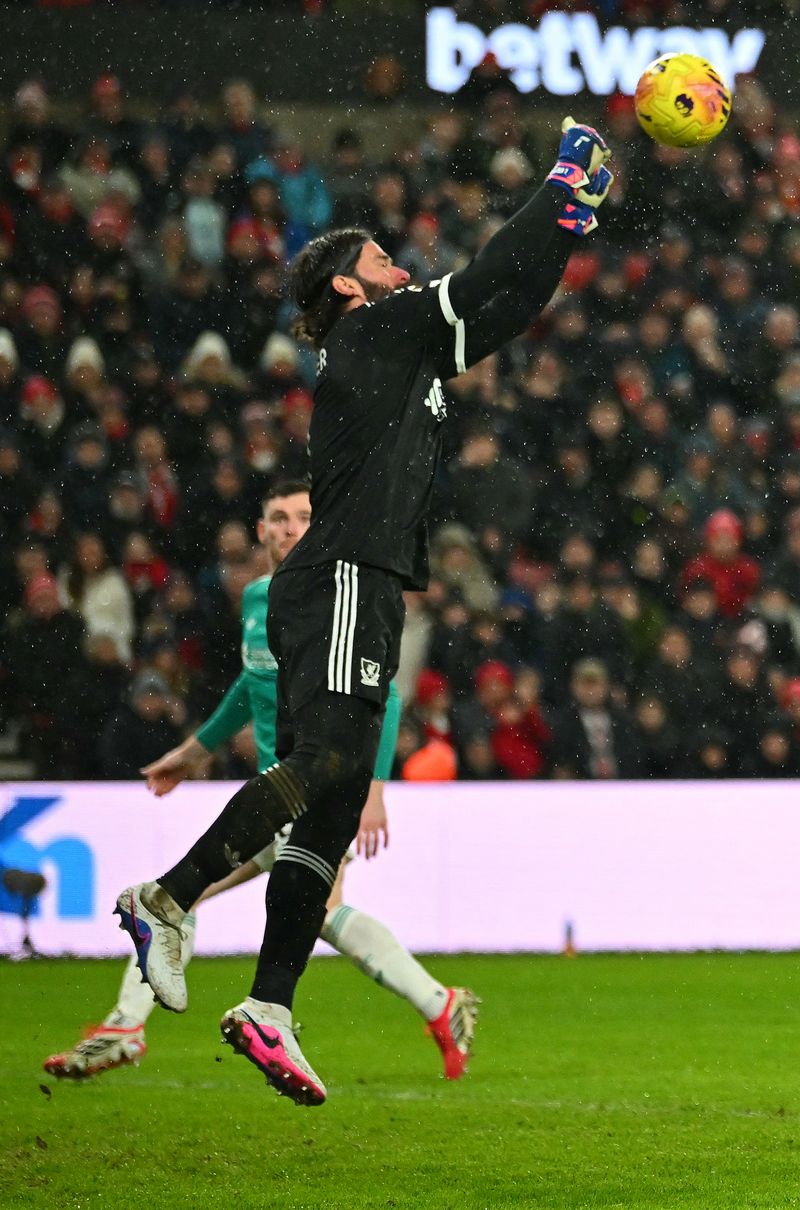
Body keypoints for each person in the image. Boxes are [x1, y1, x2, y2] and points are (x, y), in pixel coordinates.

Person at [109, 119, 613, 1106]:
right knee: (327, 765)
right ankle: (165, 899)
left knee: (331, 811)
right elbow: (490, 268)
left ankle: (269, 1005)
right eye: (383, 260)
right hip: (342, 574)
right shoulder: (376, 330)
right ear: (347, 286)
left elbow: (514, 300)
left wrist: (570, 225)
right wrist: (563, 182)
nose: (401, 268)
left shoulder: (405, 352)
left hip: (366, 582)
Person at [45, 480, 478, 1084]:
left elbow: (385, 697)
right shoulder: (258, 598)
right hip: (276, 793)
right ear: (261, 530)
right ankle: (439, 1003)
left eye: (303, 516)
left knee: (203, 898)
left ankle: (127, 1024)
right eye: (278, 517)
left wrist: (374, 792)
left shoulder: (337, 594)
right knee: (284, 907)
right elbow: (252, 685)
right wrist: (193, 752)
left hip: (319, 787)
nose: (290, 528)